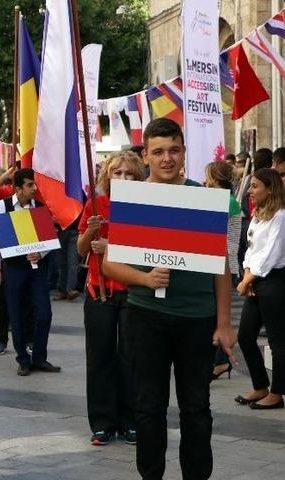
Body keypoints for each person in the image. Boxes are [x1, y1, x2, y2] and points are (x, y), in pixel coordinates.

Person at [102, 118, 237, 480]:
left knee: (197, 408)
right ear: (145, 155)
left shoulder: (202, 199)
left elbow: (221, 267)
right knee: (149, 408)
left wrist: (224, 323)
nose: (166, 158)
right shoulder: (133, 199)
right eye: (158, 151)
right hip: (146, 316)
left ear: (184, 154)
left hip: (197, 319)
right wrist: (144, 278)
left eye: (174, 150)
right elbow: (110, 264)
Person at [77, 151, 145, 446]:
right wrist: (90, 231)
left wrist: (111, 245)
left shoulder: (143, 206)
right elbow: (81, 249)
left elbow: (147, 248)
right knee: (100, 358)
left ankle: (130, 421)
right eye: (118, 173)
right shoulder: (95, 204)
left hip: (132, 291)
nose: (123, 178)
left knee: (131, 358)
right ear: (107, 176)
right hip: (99, 292)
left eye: (130, 174)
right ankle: (102, 422)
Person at [0, 168, 60, 376]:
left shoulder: (40, 207)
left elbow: (49, 239)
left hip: (36, 270)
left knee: (44, 314)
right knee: (16, 313)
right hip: (13, 268)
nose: (34, 189)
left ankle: (40, 357)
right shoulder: (2, 206)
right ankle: (23, 359)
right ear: (18, 188)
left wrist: (40, 254)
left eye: (34, 184)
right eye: (30, 185)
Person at [234, 168, 285, 410]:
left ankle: (277, 393)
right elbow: (251, 248)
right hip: (255, 279)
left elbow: (270, 254)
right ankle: (260, 386)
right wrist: (247, 275)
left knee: (277, 340)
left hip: (275, 281)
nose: (250, 192)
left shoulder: (281, 217)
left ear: (270, 188)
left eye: (255, 186)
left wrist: (246, 281)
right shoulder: (258, 215)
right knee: (245, 335)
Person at [203, 161, 242, 380]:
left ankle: (220, 361)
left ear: (213, 176)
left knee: (217, 314)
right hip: (220, 262)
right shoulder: (226, 200)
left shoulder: (224, 201)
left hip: (223, 264)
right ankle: (220, 361)